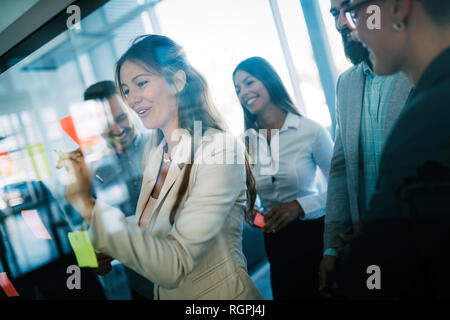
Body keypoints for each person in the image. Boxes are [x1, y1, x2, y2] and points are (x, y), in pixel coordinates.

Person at [62, 34, 263, 300]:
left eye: (141, 84)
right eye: (127, 91)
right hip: (147, 285)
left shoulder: (218, 149)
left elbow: (175, 262)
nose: (133, 100)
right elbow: (151, 223)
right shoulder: (155, 154)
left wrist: (85, 203)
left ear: (177, 81)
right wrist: (98, 249)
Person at [336, 0, 450, 298]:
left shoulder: (421, 126)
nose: (353, 28)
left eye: (355, 12)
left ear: (398, 7)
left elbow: (373, 276)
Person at [318, 0, 412, 298]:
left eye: (349, 9)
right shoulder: (345, 84)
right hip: (370, 247)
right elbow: (340, 169)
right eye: (334, 14)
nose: (341, 23)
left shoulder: (417, 65)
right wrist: (332, 246)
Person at [233, 57, 333, 299]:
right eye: (238, 89)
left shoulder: (310, 130)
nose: (244, 92)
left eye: (248, 82)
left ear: (268, 81)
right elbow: (246, 203)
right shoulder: (245, 143)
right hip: (276, 245)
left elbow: (341, 189)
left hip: (315, 237)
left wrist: (298, 206)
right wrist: (256, 218)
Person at [83, 81, 154, 299]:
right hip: (141, 284)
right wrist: (90, 259)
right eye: (107, 123)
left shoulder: (162, 146)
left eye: (121, 118)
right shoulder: (96, 172)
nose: (117, 129)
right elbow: (84, 227)